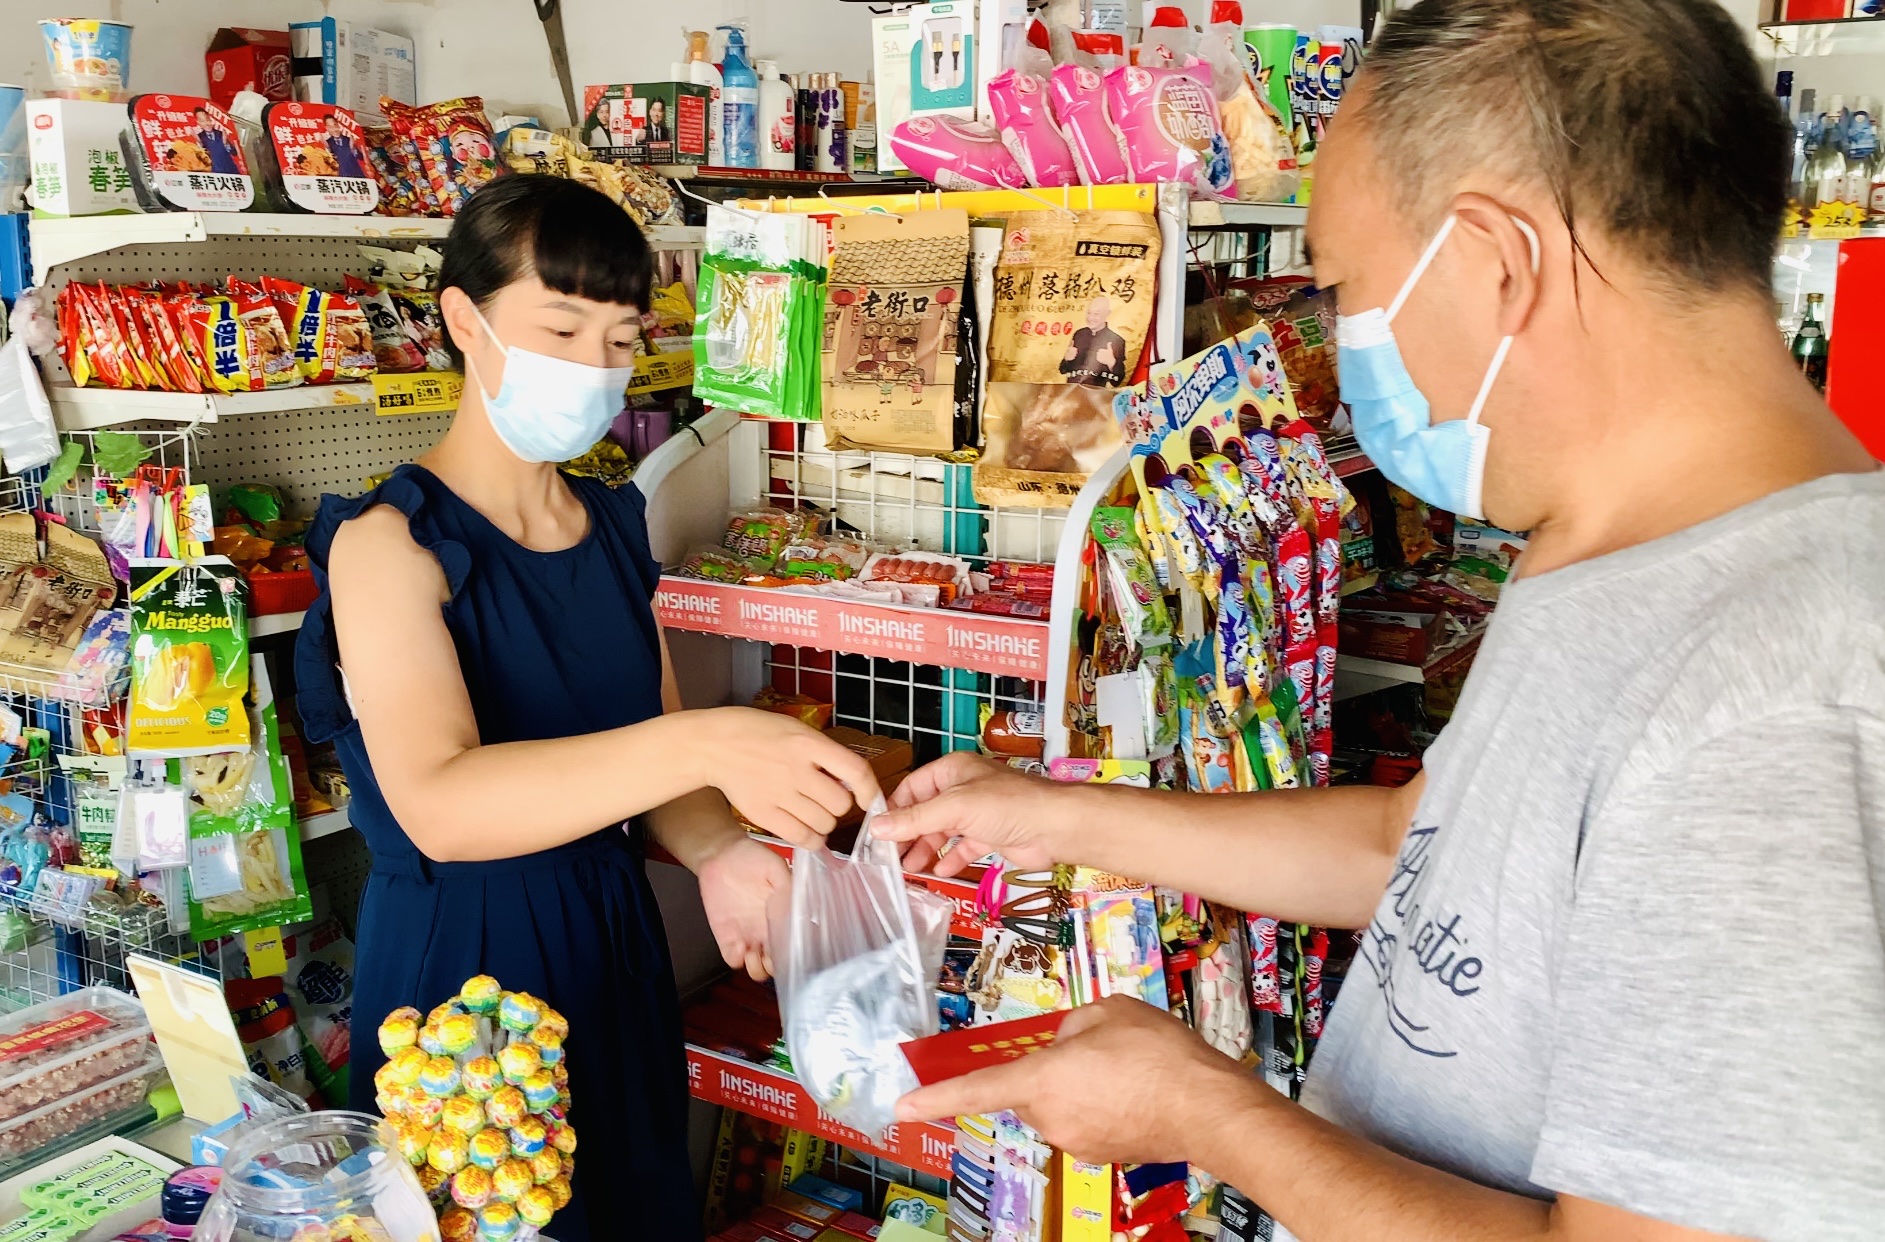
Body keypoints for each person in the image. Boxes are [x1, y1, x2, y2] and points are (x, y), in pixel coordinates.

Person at [880, 1, 1885, 1239]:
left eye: (1346, 288)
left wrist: (1204, 1112)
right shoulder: (1610, 551)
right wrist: (1052, 816)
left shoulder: (1780, 701)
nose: (1342, 345)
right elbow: (1410, 854)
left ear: (1498, 260)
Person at [294, 175, 880, 1242]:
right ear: (463, 319)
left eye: (618, 339)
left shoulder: (612, 523)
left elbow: (656, 767)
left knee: (628, 1207)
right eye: (560, 328)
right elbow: (442, 805)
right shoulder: (388, 544)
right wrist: (708, 739)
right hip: (461, 970)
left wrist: (718, 852)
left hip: (611, 937)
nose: (592, 366)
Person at [1058, 295, 1128, 386]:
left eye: (1096, 314)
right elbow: (1063, 370)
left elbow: (1117, 382)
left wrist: (1112, 363)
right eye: (1089, 313)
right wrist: (1066, 359)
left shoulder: (1117, 340)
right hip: (1071, 390)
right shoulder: (1079, 334)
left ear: (1107, 314)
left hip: (1096, 393)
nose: (1090, 318)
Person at [194, 107, 241, 174]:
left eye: (207, 120)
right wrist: (200, 146)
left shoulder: (221, 134)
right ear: (198, 122)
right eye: (202, 121)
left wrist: (226, 144)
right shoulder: (199, 138)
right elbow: (201, 161)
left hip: (231, 172)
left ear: (211, 120)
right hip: (214, 175)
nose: (206, 124)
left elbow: (234, 153)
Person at [323, 113, 367, 179]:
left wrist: (353, 148)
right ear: (327, 128)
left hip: (357, 177)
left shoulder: (349, 140)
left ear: (338, 125)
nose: (334, 129)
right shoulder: (328, 143)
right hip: (340, 179)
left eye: (335, 125)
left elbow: (361, 157)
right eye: (330, 127)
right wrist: (327, 148)